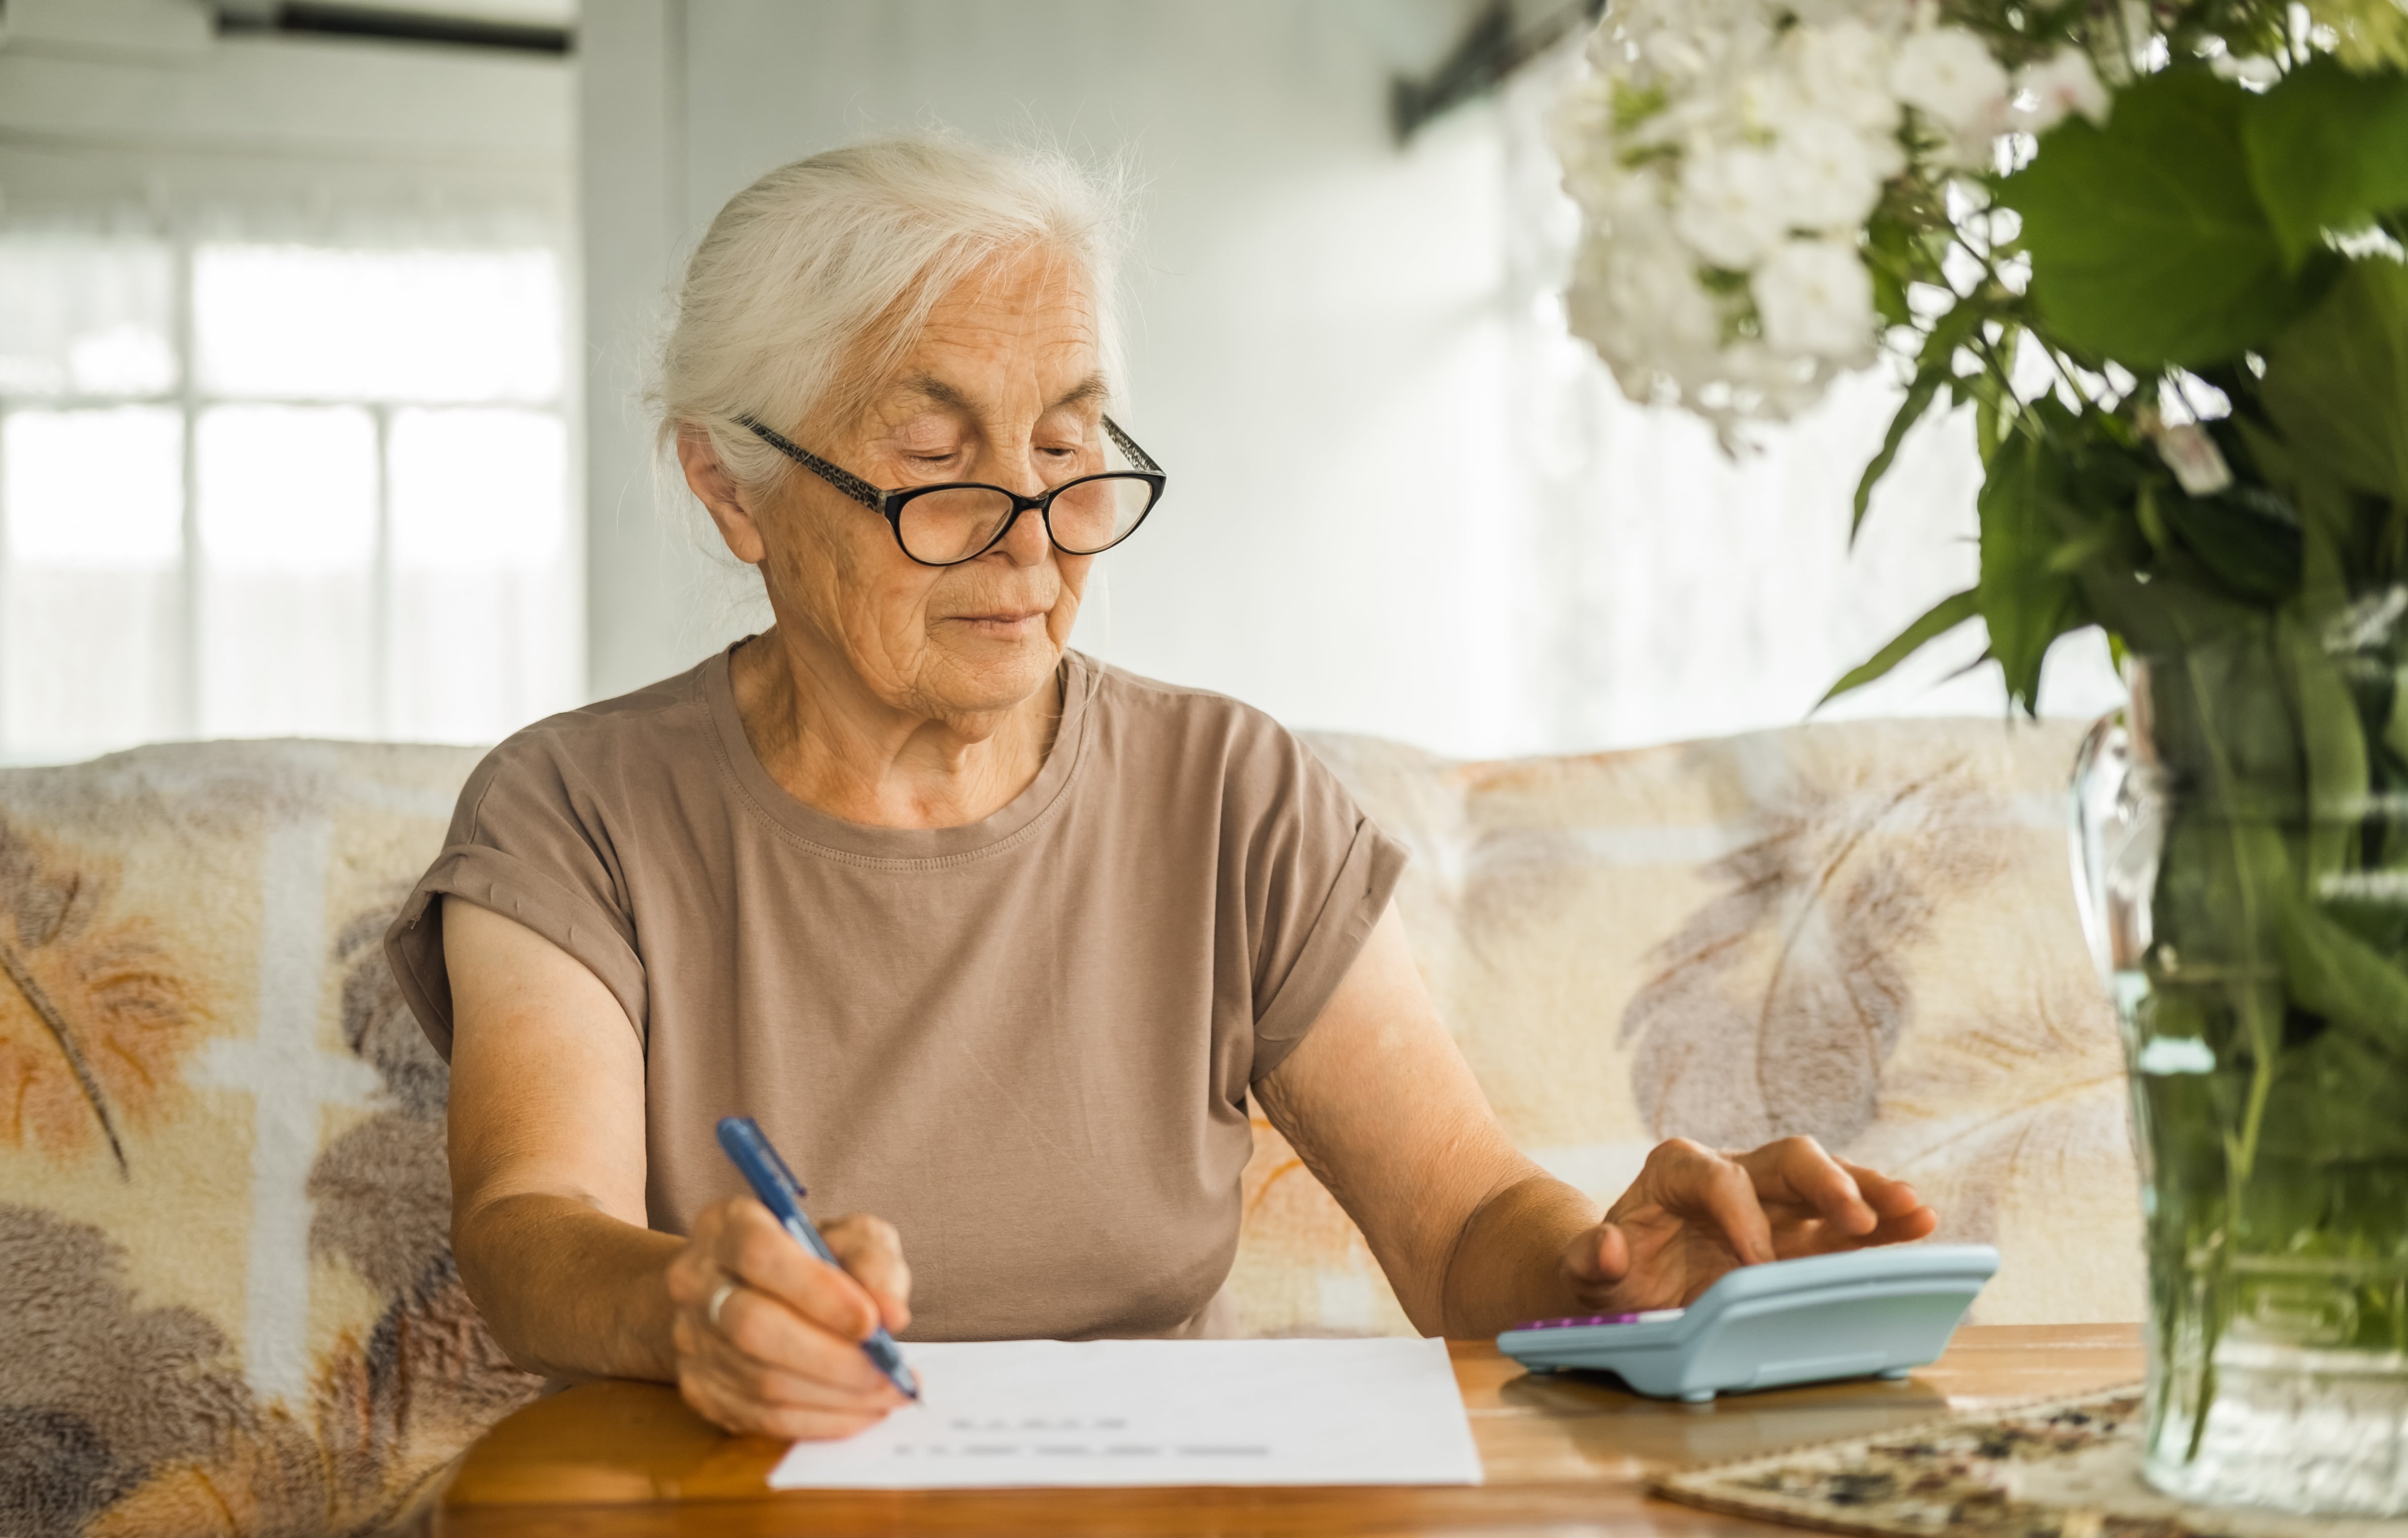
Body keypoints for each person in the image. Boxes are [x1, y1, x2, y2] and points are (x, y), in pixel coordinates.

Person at [384, 133, 1937, 1444]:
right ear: (733, 488)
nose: (1034, 538)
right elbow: (530, 1228)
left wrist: (1620, 1279)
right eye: (937, 461)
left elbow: (1460, 1222)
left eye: (1066, 449)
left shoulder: (1230, 796)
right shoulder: (570, 810)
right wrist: (689, 1304)